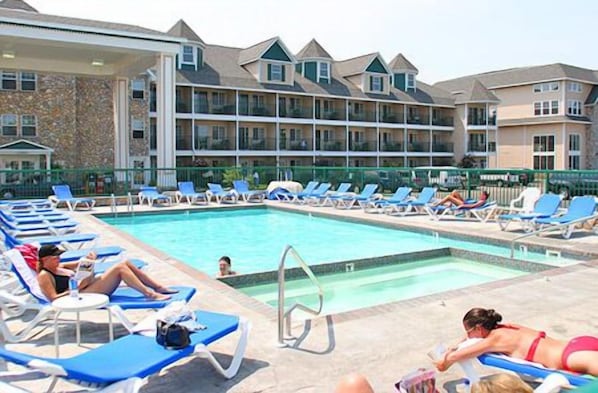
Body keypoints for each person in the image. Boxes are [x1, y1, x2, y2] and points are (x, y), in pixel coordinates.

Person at [434, 307, 598, 375]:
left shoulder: (494, 339)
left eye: (468, 332)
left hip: (571, 357)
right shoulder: (509, 327)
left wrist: (445, 357)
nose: (467, 336)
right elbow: (470, 337)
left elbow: (452, 359)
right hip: (577, 343)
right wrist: (460, 341)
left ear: (478, 328)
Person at [36, 244, 176, 301]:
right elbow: (53, 298)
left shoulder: (61, 266)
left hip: (85, 286)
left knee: (124, 263)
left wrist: (89, 259)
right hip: (78, 296)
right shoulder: (44, 275)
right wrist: (74, 288)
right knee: (119, 269)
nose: (59, 259)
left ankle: (158, 287)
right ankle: (150, 294)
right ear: (46, 259)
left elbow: (82, 263)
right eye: (56, 257)